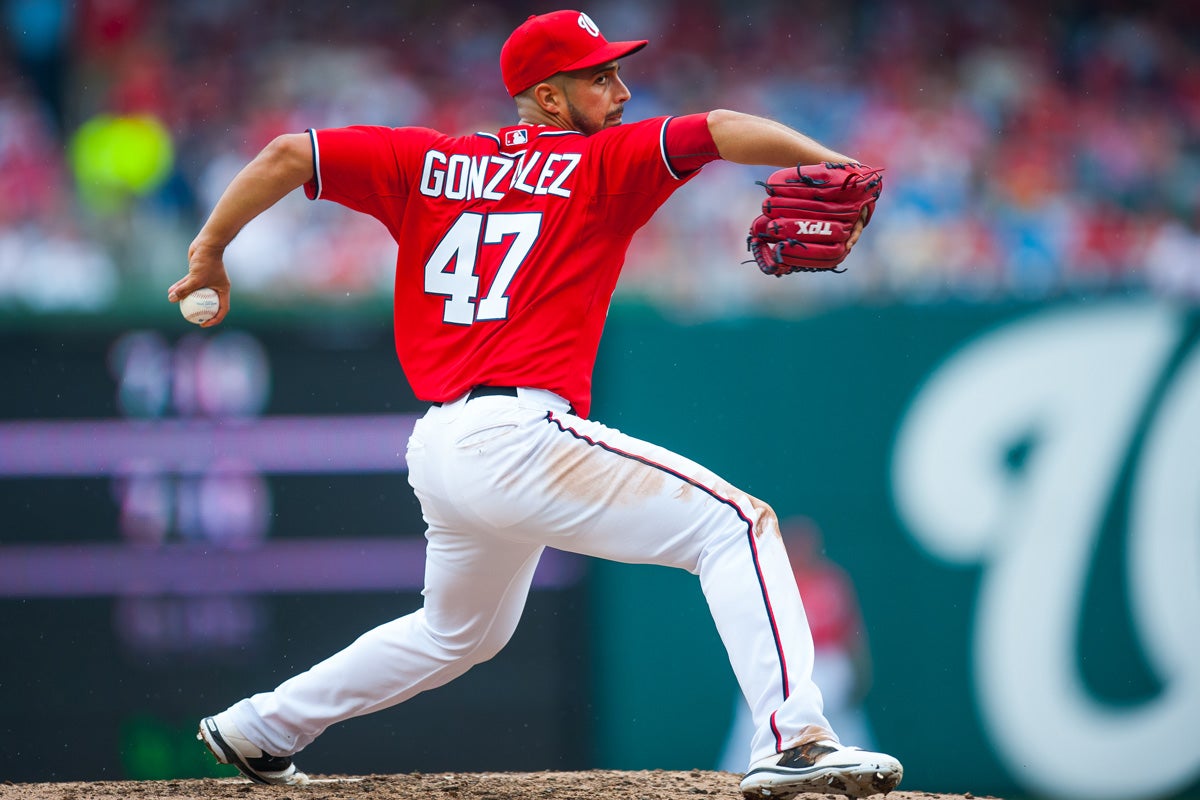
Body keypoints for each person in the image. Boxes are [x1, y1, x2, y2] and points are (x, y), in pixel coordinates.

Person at [171, 10, 902, 799]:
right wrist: (833, 161)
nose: (621, 92)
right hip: (519, 433)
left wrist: (208, 252)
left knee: (459, 632)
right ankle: (795, 740)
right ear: (548, 99)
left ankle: (261, 727)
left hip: (443, 446)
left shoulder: (428, 159)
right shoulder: (603, 164)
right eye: (600, 78)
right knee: (736, 525)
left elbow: (288, 153)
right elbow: (719, 128)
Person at [720, 517, 878, 773]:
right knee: (754, 715)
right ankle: (737, 776)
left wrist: (861, 673)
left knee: (835, 711)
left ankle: (865, 772)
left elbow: (852, 636)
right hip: (783, 665)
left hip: (827, 664)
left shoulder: (831, 581)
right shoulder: (772, 580)